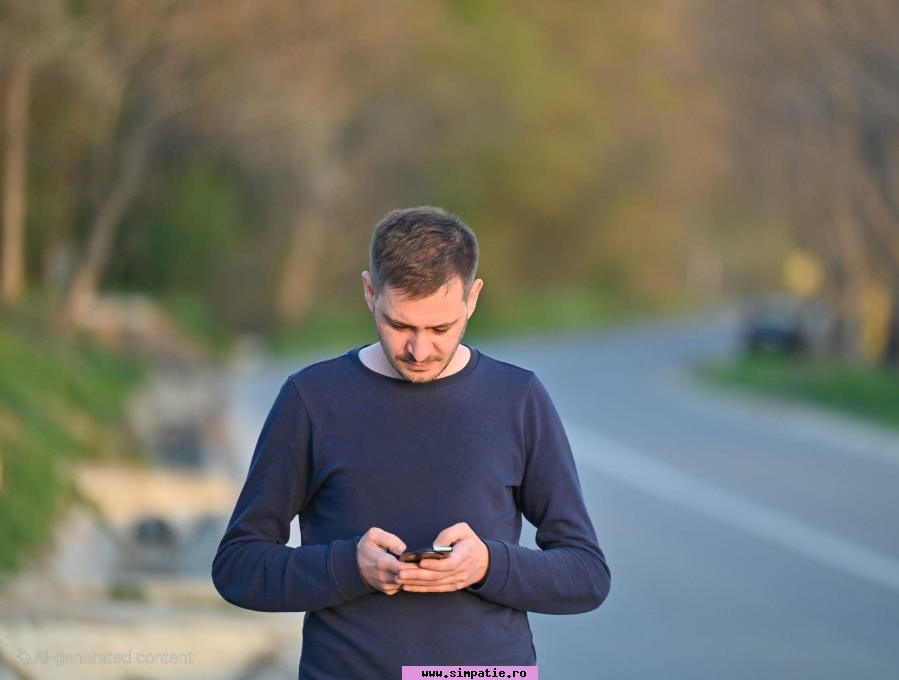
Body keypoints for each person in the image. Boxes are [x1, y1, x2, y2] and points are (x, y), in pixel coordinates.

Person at [212, 206, 610, 679]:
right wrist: (348, 567)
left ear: (473, 298)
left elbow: (586, 575)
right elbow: (238, 567)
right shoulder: (311, 400)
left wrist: (486, 565)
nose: (419, 351)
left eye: (440, 328)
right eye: (400, 325)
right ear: (368, 292)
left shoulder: (518, 398)